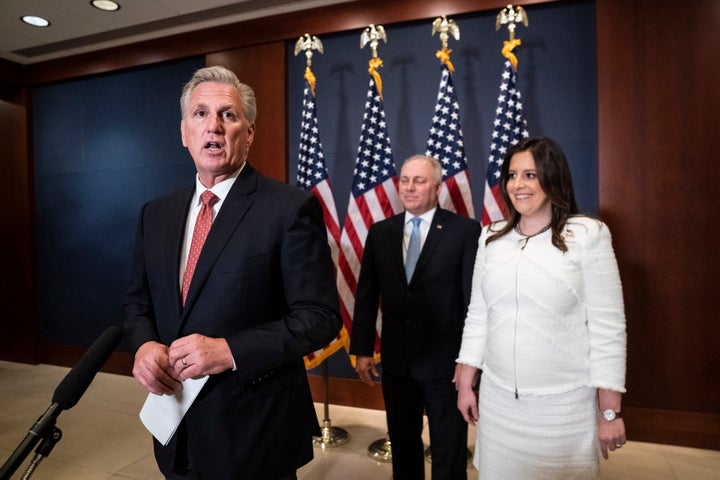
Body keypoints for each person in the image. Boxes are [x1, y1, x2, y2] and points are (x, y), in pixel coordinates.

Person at [122, 65, 341, 480]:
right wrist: (144, 346)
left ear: (250, 132)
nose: (214, 127)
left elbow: (319, 317)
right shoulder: (157, 213)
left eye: (228, 114)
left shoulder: (289, 208)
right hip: (175, 427)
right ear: (184, 132)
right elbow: (137, 302)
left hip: (255, 432)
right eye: (200, 114)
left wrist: (228, 351)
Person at [455, 137, 627, 479]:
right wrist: (465, 380)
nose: (519, 184)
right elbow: (479, 313)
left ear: (552, 178)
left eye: (531, 175)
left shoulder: (588, 234)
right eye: (513, 175)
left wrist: (609, 412)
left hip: (563, 410)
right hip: (499, 404)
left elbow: (609, 327)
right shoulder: (490, 237)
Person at [349, 155, 481, 480]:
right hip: (397, 364)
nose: (409, 187)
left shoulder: (464, 231)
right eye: (405, 180)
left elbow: (471, 302)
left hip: (445, 365)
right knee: (404, 447)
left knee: (448, 452)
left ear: (437, 188)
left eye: (419, 181)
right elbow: (366, 295)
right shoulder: (380, 232)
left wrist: (469, 360)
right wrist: (363, 348)